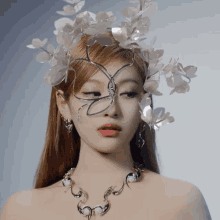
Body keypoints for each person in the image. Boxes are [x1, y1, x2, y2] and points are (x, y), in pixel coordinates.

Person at [0, 0, 212, 219]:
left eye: (129, 94)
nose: (111, 109)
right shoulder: (21, 210)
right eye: (93, 94)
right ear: (63, 105)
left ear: (144, 103)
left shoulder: (183, 203)